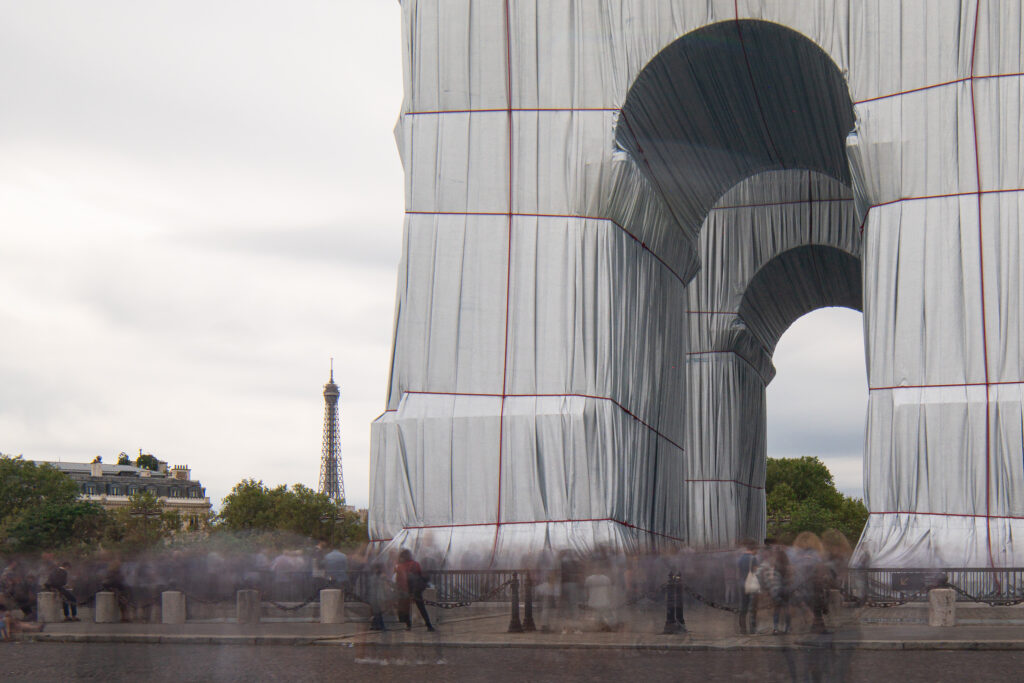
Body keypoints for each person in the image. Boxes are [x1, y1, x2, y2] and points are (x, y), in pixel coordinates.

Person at [394, 549, 434, 631]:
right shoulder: (415, 564)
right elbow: (420, 575)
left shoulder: (399, 566)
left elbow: (398, 580)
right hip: (416, 590)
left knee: (406, 609)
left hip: (405, 590)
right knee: (421, 608)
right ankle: (429, 625)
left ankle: (408, 625)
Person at [737, 542, 759, 634]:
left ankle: (743, 628)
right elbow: (756, 571)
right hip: (751, 584)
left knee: (743, 606)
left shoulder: (741, 558)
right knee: (753, 607)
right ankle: (752, 629)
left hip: (742, 584)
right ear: (753, 549)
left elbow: (738, 572)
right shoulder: (753, 558)